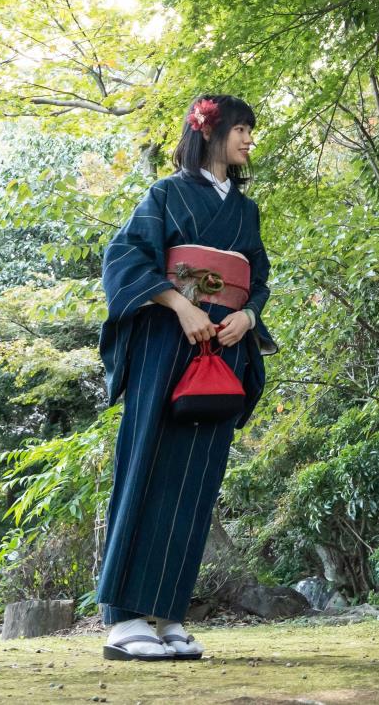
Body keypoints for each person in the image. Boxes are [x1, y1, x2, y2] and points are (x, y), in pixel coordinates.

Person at [95, 94, 276, 662]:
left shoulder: (244, 211)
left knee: (196, 481)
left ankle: (168, 614)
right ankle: (124, 618)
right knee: (146, 467)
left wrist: (246, 317)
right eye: (241, 129)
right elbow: (124, 259)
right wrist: (181, 305)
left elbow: (257, 278)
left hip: (221, 353)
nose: (248, 140)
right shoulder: (166, 194)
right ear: (209, 131)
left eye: (250, 131)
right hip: (166, 345)